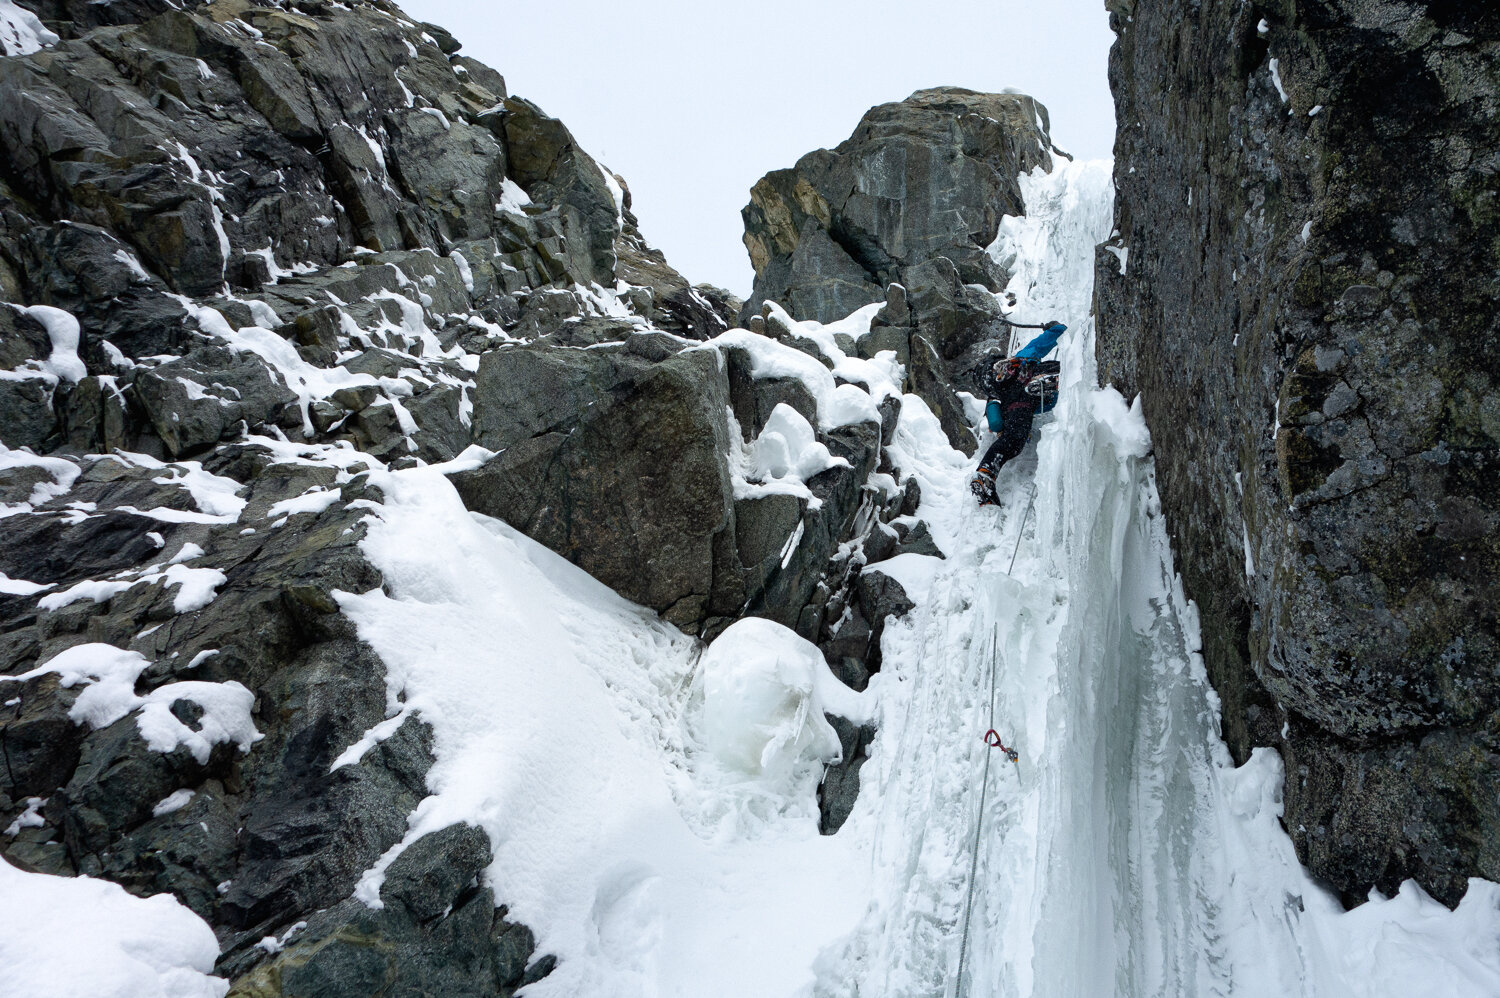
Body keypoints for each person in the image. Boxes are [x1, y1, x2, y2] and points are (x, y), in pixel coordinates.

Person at [968, 321, 1066, 506]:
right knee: (1060, 369)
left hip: (1016, 402)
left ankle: (985, 473)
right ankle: (1047, 380)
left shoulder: (994, 396)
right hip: (1027, 374)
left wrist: (1002, 429)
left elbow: (995, 421)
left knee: (1013, 441)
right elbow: (1040, 344)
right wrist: (1058, 330)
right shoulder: (1020, 357)